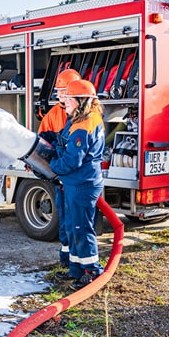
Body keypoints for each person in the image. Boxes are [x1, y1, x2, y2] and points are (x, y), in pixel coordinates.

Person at [48, 78, 106, 290]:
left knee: (81, 228)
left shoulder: (83, 125)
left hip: (82, 184)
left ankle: (91, 271)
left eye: (70, 100)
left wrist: (53, 164)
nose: (66, 103)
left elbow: (73, 160)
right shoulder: (81, 119)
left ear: (82, 101)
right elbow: (65, 144)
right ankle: (76, 270)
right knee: (74, 227)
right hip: (76, 183)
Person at [38, 67, 82, 275]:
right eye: (59, 92)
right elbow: (42, 145)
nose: (60, 96)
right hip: (61, 179)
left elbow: (75, 155)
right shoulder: (54, 115)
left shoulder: (83, 118)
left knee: (78, 224)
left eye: (63, 92)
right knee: (65, 220)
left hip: (73, 179)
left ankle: (79, 265)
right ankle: (67, 260)